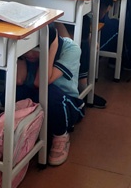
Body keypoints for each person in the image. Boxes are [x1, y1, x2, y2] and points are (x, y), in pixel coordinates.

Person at [16, 24, 85, 166]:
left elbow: (41, 82)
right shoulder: (26, 52)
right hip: (37, 99)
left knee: (49, 92)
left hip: (66, 103)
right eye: (27, 50)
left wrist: (51, 46)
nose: (30, 54)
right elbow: (19, 80)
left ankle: (61, 135)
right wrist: (19, 53)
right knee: (15, 91)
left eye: (35, 50)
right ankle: (23, 130)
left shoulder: (70, 49)